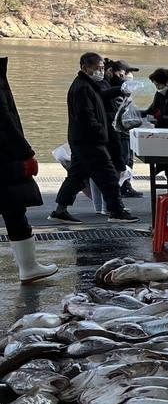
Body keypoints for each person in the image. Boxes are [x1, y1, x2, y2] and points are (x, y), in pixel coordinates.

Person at [51, 52, 135, 223]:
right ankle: (116, 211)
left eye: (102, 68)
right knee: (109, 175)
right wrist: (102, 133)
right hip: (89, 140)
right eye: (97, 68)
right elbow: (86, 117)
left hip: (83, 140)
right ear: (84, 68)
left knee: (76, 176)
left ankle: (59, 211)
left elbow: (103, 95)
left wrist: (120, 88)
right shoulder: (81, 88)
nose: (101, 72)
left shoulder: (89, 85)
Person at [0, 57, 57, 282]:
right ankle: (29, 266)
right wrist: (26, 153)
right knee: (14, 209)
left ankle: (29, 267)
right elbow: (4, 121)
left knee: (13, 210)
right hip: (5, 159)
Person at [102, 60, 142, 200]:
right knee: (123, 160)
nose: (129, 76)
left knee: (127, 159)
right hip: (121, 131)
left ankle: (125, 186)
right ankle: (123, 187)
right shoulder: (116, 88)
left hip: (125, 130)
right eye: (126, 73)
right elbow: (120, 111)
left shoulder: (121, 89)